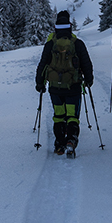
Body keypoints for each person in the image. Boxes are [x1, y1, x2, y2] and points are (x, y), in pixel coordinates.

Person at [36, 10, 94, 156]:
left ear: (55, 27)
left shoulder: (50, 44)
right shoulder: (78, 44)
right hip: (73, 87)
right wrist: (88, 79)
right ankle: (71, 141)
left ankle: (59, 144)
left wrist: (40, 83)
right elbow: (87, 64)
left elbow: (43, 65)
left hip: (55, 88)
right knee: (72, 116)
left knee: (59, 115)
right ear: (70, 26)